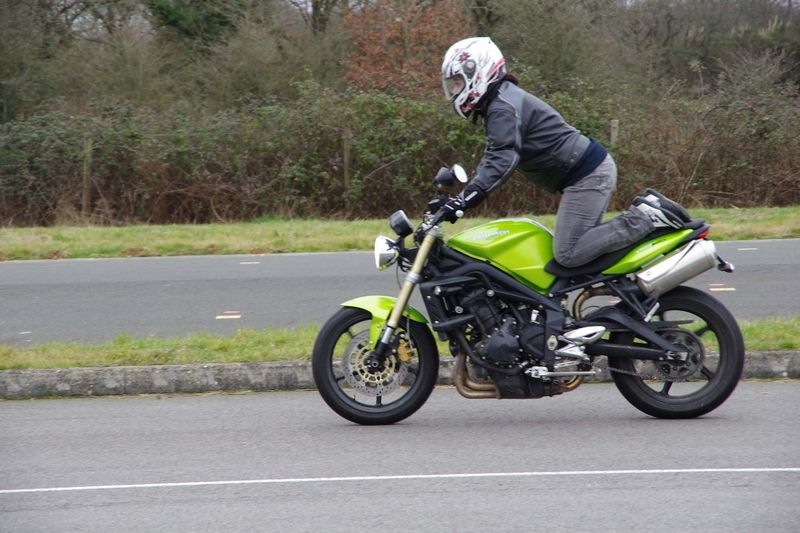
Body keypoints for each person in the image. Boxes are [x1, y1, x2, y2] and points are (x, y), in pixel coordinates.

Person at [438, 37, 690, 268]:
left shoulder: (502, 107)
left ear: (477, 72)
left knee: (568, 253)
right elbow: (497, 154)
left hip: (587, 175)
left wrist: (466, 198)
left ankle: (646, 218)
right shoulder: (501, 102)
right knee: (579, 253)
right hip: (584, 173)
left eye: (457, 82)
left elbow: (502, 157)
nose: (455, 91)